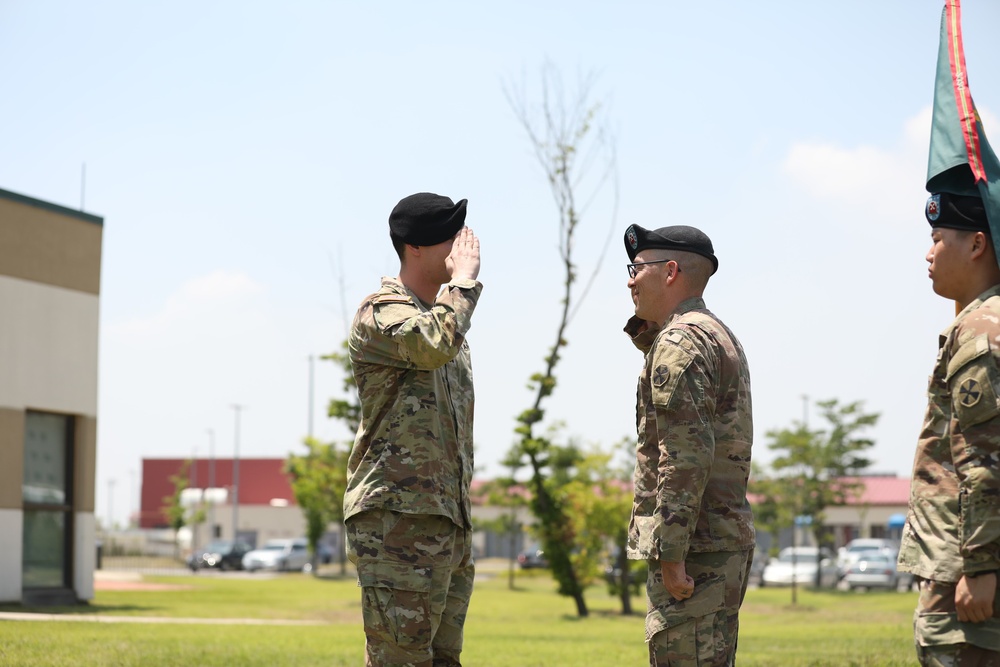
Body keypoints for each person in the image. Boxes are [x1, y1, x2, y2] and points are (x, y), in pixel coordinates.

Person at [344, 192, 482, 667]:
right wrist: (463, 284)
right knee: (400, 660)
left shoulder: (450, 328)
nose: (463, 245)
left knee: (443, 660)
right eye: (451, 236)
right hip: (396, 519)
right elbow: (429, 346)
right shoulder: (382, 312)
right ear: (415, 248)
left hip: (446, 518)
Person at [622, 223, 755, 667]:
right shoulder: (715, 332)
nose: (630, 280)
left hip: (695, 548)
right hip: (717, 540)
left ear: (671, 271)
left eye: (637, 268)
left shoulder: (680, 341)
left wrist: (671, 551)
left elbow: (684, 456)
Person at [897, 191, 1000, 666]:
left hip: (967, 571)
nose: (928, 252)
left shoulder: (982, 330)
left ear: (977, 244)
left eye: (938, 238)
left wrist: (980, 567)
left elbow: (985, 461)